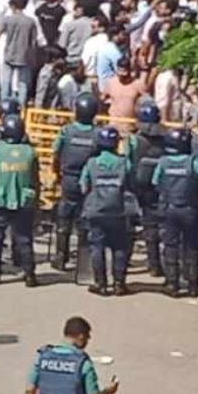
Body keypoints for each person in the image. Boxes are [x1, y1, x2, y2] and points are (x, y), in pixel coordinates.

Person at [0, 113, 40, 286]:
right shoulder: (30, 152)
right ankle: (30, 274)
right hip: (24, 200)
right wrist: (37, 200)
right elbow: (35, 179)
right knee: (24, 238)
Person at [78, 124, 134, 295]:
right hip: (118, 211)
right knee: (120, 247)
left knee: (97, 247)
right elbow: (130, 185)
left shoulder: (91, 163)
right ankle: (119, 283)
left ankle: (101, 284)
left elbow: (83, 187)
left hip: (96, 210)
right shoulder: (124, 162)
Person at [22, 316, 119, 394]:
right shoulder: (83, 363)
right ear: (81, 337)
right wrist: (108, 390)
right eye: (87, 338)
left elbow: (29, 391)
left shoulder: (42, 358)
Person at [154, 126, 198, 299]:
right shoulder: (195, 162)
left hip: (169, 209)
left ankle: (172, 284)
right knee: (191, 247)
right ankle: (193, 284)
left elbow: (156, 182)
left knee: (170, 247)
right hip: (190, 209)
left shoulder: (162, 162)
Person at [50, 93, 103, 274]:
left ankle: (60, 257)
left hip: (69, 179)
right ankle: (84, 262)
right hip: (89, 183)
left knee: (64, 219)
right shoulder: (98, 134)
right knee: (85, 221)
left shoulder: (66, 131)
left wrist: (56, 174)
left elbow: (55, 154)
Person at [126, 98, 168, 279]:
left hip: (137, 187)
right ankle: (155, 265)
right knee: (154, 228)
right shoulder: (166, 140)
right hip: (158, 188)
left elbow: (127, 163)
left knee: (129, 228)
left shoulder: (134, 141)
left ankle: (124, 262)